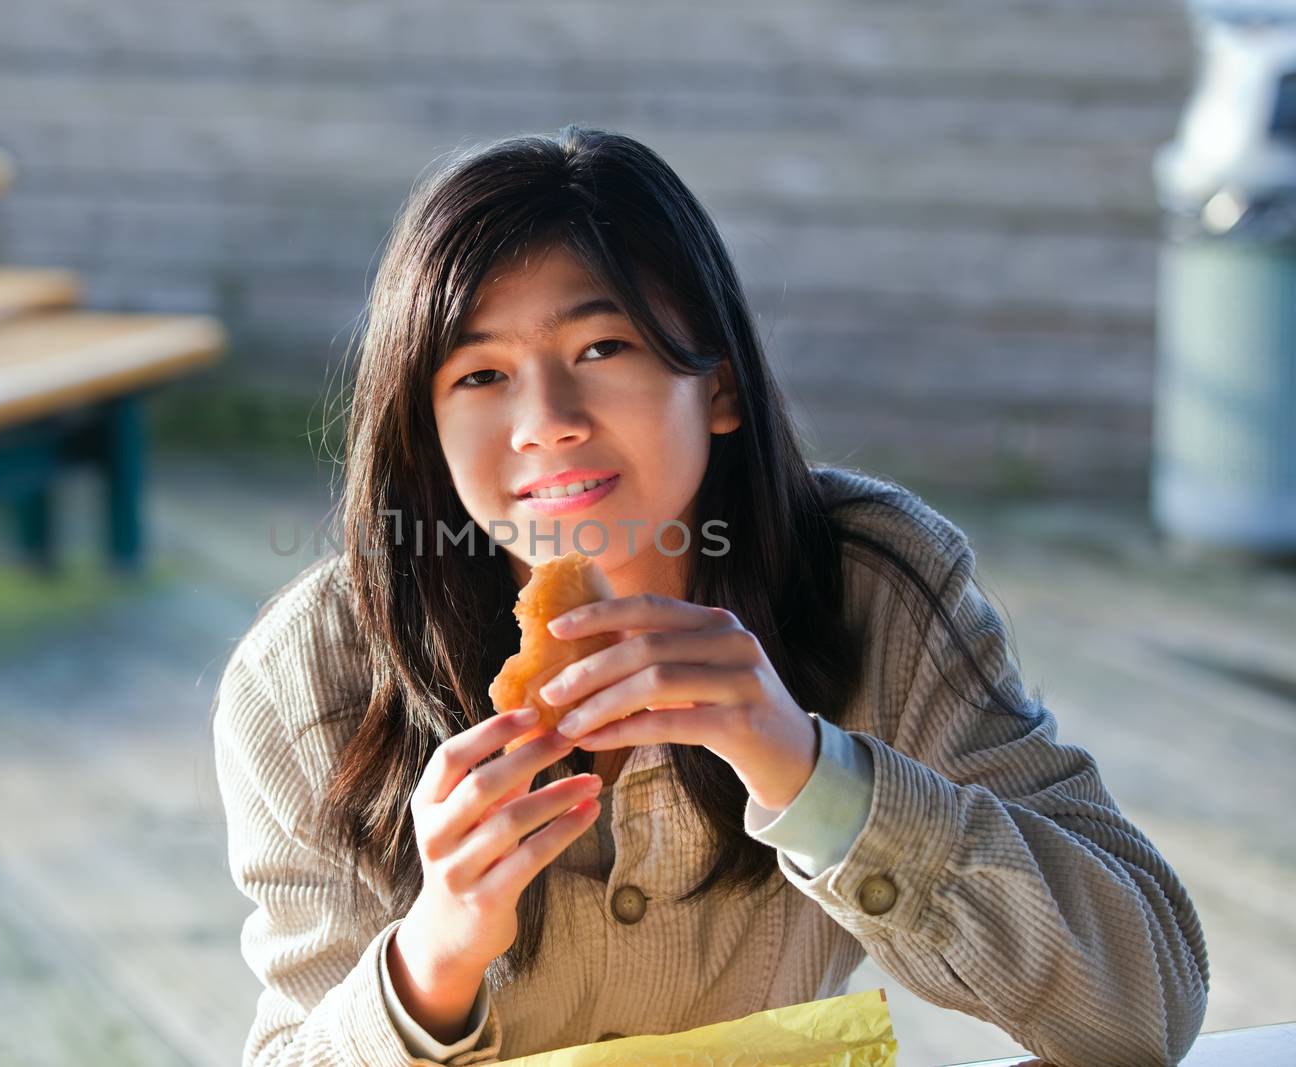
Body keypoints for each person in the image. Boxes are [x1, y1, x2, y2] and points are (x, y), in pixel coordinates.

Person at [211, 125, 1208, 1067]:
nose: (545, 421)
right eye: (478, 373)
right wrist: (433, 954)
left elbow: (1145, 1002)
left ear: (719, 386)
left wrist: (813, 773)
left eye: (602, 349)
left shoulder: (869, 579)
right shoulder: (309, 672)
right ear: (422, 429)